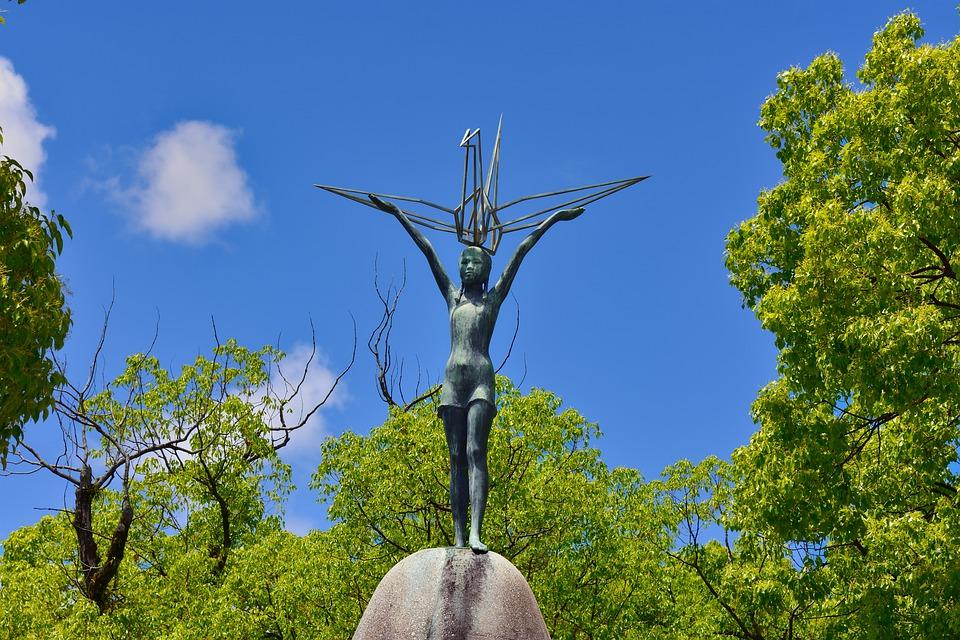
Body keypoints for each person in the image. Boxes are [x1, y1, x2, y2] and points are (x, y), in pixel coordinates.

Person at [368, 193, 584, 552]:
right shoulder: (453, 298)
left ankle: (475, 532)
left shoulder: (492, 300)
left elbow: (522, 251)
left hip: (481, 380)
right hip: (453, 380)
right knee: (454, 457)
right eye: (464, 261)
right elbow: (426, 250)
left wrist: (554, 219)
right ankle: (456, 535)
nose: (468, 266)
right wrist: (397, 214)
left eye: (475, 262)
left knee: (475, 452)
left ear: (484, 269)